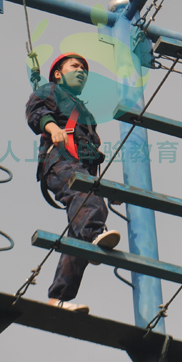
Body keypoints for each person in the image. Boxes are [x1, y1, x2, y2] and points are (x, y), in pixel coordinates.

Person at [25, 53, 121, 314]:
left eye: (84, 69)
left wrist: (106, 190)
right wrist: (52, 127)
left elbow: (89, 155)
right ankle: (93, 234)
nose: (81, 71)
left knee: (79, 236)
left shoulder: (85, 113)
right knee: (88, 203)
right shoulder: (50, 91)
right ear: (58, 73)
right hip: (59, 161)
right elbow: (37, 111)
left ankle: (58, 297)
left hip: (79, 167)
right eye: (75, 66)